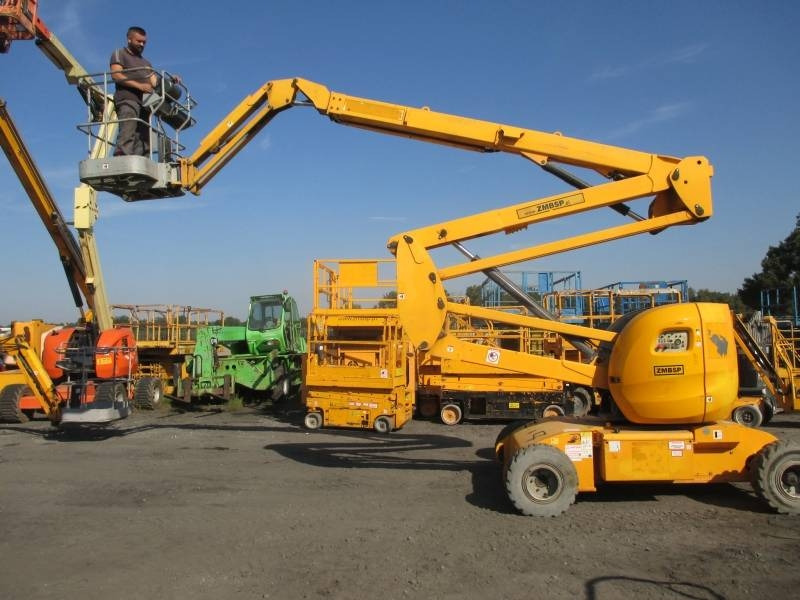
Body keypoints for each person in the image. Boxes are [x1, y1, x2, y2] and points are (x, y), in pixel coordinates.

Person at [110, 26, 158, 156]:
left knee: (144, 138)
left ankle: (142, 161)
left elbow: (155, 82)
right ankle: (122, 156)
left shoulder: (146, 63)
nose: (142, 44)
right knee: (128, 129)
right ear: (129, 39)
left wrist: (171, 81)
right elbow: (116, 75)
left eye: (144, 42)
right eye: (139, 41)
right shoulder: (120, 54)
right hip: (127, 99)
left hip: (145, 104)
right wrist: (140, 86)